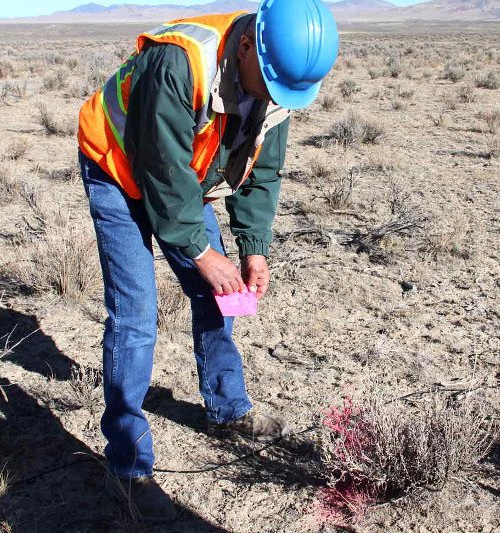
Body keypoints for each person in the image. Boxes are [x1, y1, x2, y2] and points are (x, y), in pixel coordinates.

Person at [76, 0, 338, 520]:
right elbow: (160, 169)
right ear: (245, 46)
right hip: (117, 166)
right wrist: (201, 252)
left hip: (180, 175)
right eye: (270, 84)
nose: (273, 97)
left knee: (219, 293)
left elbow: (260, 171)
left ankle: (227, 408)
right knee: (136, 315)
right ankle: (128, 467)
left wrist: (253, 248)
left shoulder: (276, 82)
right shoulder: (178, 63)